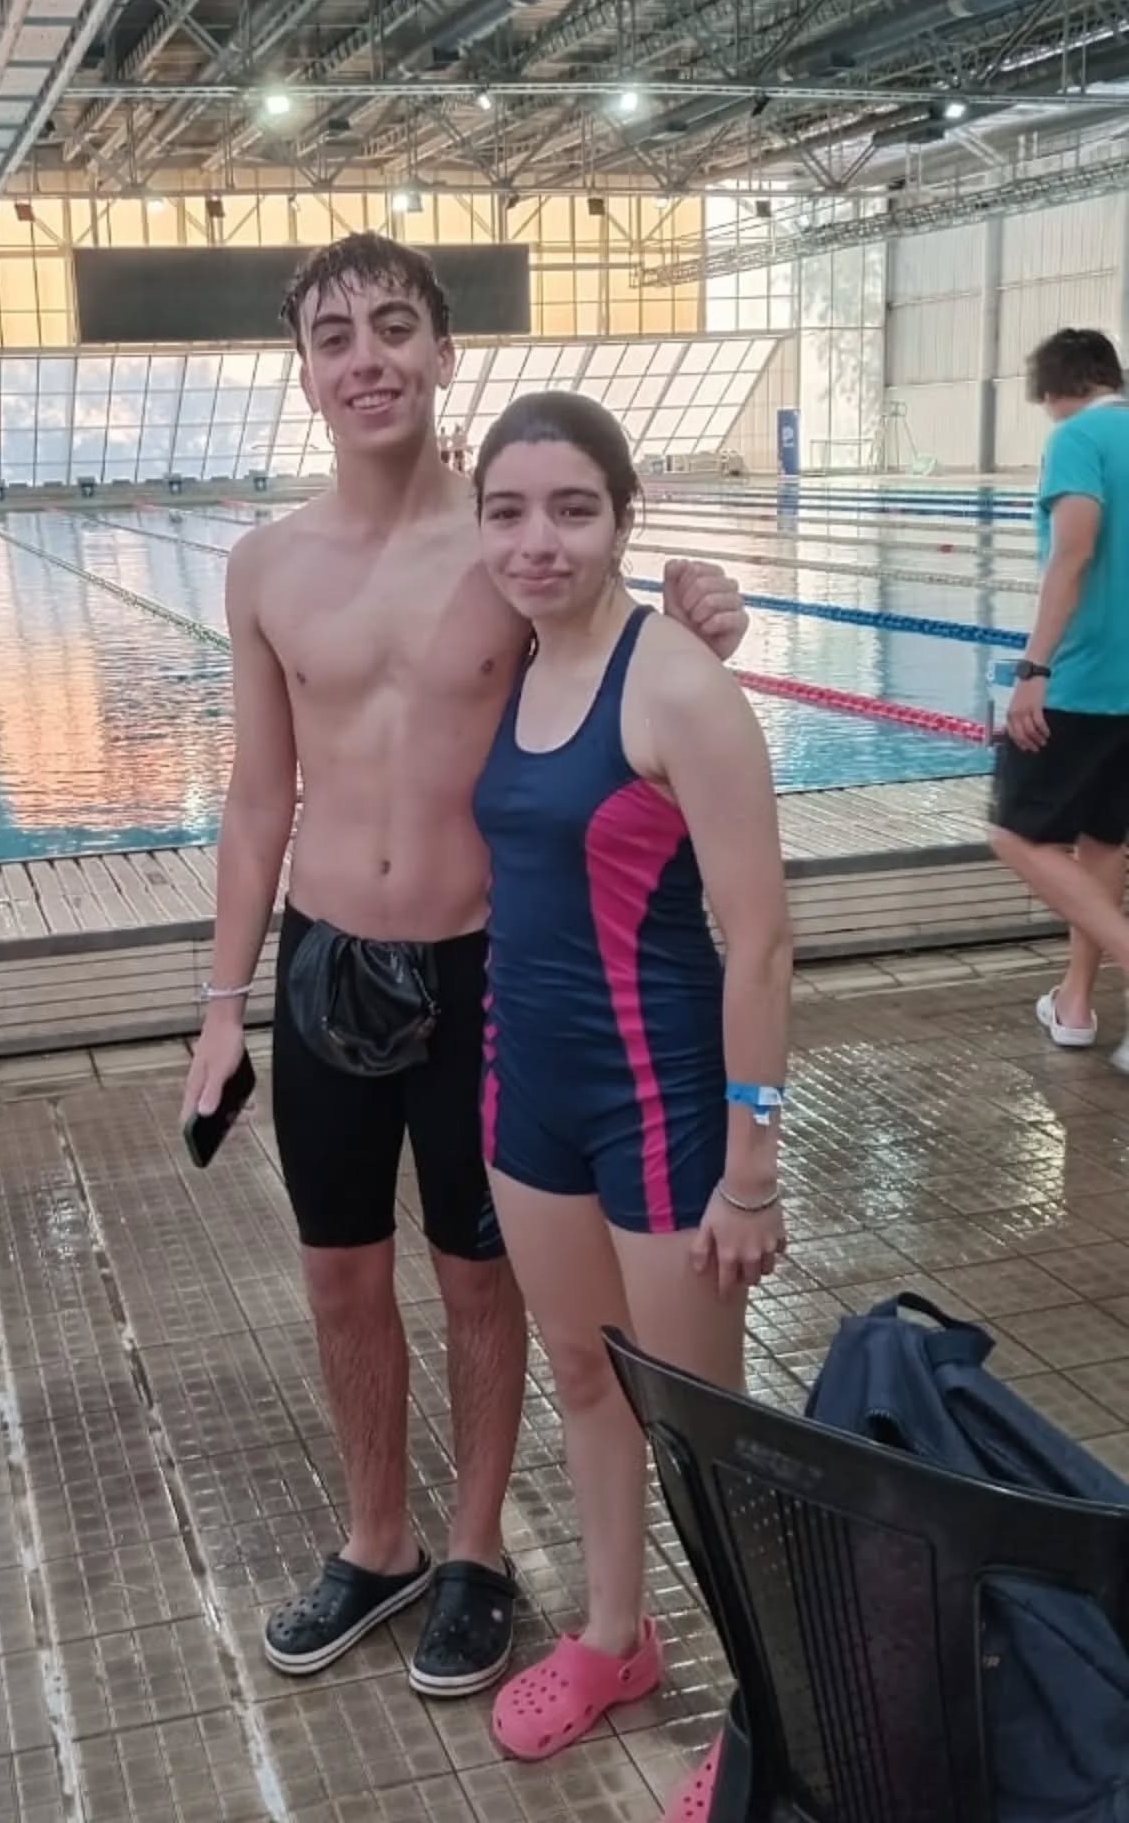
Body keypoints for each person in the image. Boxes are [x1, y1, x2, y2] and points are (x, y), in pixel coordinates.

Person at [181, 231, 749, 1699]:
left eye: (394, 326)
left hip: (486, 970)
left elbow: (623, 654)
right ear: (303, 373)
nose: (365, 358)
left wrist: (699, 608)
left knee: (479, 1280)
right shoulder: (264, 567)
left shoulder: (506, 549)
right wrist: (220, 1007)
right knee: (336, 1275)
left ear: (444, 353)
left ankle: (479, 1549)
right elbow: (257, 797)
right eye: (334, 337)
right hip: (324, 965)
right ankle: (379, 1542)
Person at [463, 391, 790, 1767]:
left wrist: (753, 1167)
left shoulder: (677, 685)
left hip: (662, 1107)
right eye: (509, 512)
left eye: (573, 510)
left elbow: (760, 938)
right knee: (586, 1378)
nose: (538, 541)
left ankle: (775, 1718)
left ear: (623, 518)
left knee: (703, 1433)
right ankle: (614, 1635)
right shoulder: (510, 657)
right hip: (524, 1091)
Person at [988, 328, 1129, 1075]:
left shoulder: (1078, 438)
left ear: (1052, 390)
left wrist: (1034, 668)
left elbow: (1073, 549)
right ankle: (1075, 1005)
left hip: (1083, 678)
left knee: (1015, 833)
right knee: (1103, 842)